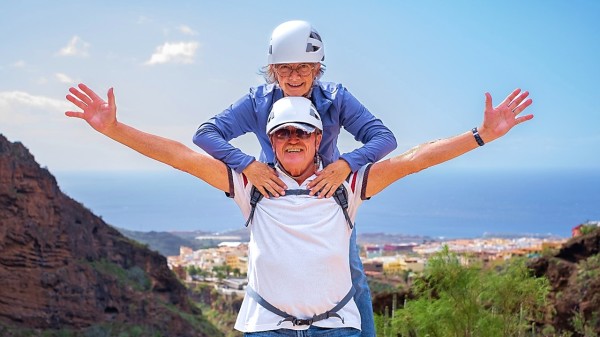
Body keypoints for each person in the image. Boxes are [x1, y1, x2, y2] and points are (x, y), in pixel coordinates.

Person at [65, 83, 533, 336]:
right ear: (270, 140)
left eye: (302, 133)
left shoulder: (345, 184)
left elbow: (413, 159)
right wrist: (113, 128)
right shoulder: (251, 184)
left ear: (317, 139)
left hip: (338, 329)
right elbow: (180, 155)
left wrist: (480, 136)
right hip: (266, 329)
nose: (292, 140)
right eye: (283, 133)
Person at [193, 20, 397, 335]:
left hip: (327, 200)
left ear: (317, 68)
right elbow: (205, 134)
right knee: (270, 271)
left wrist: (346, 164)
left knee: (352, 274)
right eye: (285, 69)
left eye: (304, 68)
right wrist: (247, 164)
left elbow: (383, 138)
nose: (294, 77)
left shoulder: (336, 98)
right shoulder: (257, 101)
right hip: (275, 196)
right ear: (272, 70)